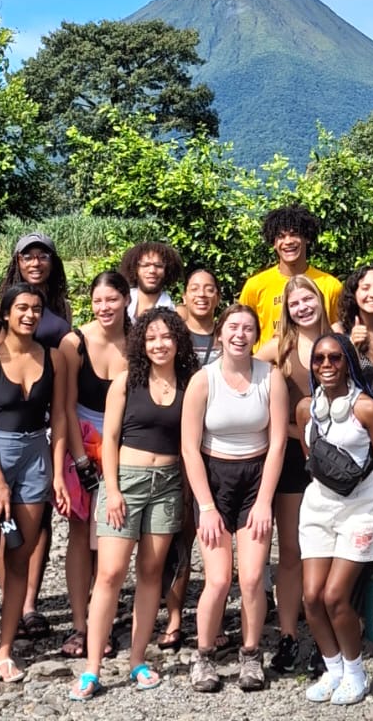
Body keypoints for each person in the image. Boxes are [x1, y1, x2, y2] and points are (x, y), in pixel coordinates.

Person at [69, 308, 200, 700]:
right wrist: (112, 490)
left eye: (167, 337)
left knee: (151, 572)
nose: (160, 344)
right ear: (142, 343)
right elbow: (108, 439)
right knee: (109, 573)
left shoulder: (191, 384)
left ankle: (137, 660)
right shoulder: (126, 381)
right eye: (152, 338)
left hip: (170, 483)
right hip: (125, 482)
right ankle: (92, 668)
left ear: (178, 341)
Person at [0, 284, 70, 684]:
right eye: (22, 308)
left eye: (36, 309)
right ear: (4, 313)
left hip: (35, 458)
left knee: (20, 558)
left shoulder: (53, 357)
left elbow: (58, 418)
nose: (29, 315)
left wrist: (57, 473)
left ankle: (5, 649)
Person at [180, 305, 288, 693]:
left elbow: (277, 444)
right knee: (219, 578)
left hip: (256, 477)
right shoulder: (203, 380)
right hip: (213, 479)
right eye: (233, 328)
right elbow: (190, 449)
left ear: (256, 335)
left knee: (254, 577)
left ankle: (250, 653)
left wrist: (263, 501)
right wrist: (206, 507)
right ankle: (204, 655)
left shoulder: (270, 377)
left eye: (248, 328)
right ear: (220, 335)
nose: (240, 334)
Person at [297, 334, 373, 706]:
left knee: (336, 596)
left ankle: (356, 671)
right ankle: (333, 668)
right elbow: (314, 462)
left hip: (361, 506)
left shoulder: (366, 408)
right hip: (319, 506)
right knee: (311, 597)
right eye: (319, 358)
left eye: (335, 358)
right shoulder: (306, 409)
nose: (326, 364)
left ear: (348, 361)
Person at [0, 232, 73, 640]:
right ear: (18, 262)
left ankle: (29, 603)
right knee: (2, 519)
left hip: (44, 428)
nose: (36, 262)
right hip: (5, 427)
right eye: (29, 256)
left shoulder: (60, 312)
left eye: (44, 256)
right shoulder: (4, 307)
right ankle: (8, 594)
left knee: (38, 520)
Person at [57, 271, 130, 659]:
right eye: (98, 301)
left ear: (125, 301)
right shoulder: (75, 342)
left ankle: (106, 617)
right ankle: (79, 622)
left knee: (111, 537)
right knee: (80, 532)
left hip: (124, 441)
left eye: (112, 300)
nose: (105, 308)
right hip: (81, 438)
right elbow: (65, 405)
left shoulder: (137, 340)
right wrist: (81, 458)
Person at [256, 274, 328, 671]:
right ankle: (287, 635)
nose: (303, 307)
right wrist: (290, 431)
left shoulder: (339, 345)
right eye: (295, 302)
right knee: (291, 551)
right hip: (290, 464)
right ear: (286, 309)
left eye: (308, 299)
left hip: (335, 465)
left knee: (326, 551)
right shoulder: (276, 351)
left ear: (320, 300)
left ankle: (323, 636)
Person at [161, 266, 223, 650]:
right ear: (183, 295)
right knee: (177, 534)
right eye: (194, 289)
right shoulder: (173, 336)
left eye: (209, 289)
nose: (202, 295)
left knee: (216, 534)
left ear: (218, 296)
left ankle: (213, 614)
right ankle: (173, 615)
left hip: (219, 449)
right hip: (177, 443)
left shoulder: (228, 334)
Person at [239, 205, 342, 352]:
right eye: (281, 236)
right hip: (266, 370)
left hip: (315, 368)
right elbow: (242, 329)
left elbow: (338, 331)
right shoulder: (255, 285)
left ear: (307, 238)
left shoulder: (331, 285)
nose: (288, 241)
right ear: (274, 243)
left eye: (294, 234)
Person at [120, 240, 183, 319]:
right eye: (145, 265)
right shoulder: (119, 303)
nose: (152, 270)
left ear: (167, 271)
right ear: (134, 269)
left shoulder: (173, 313)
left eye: (158, 265)